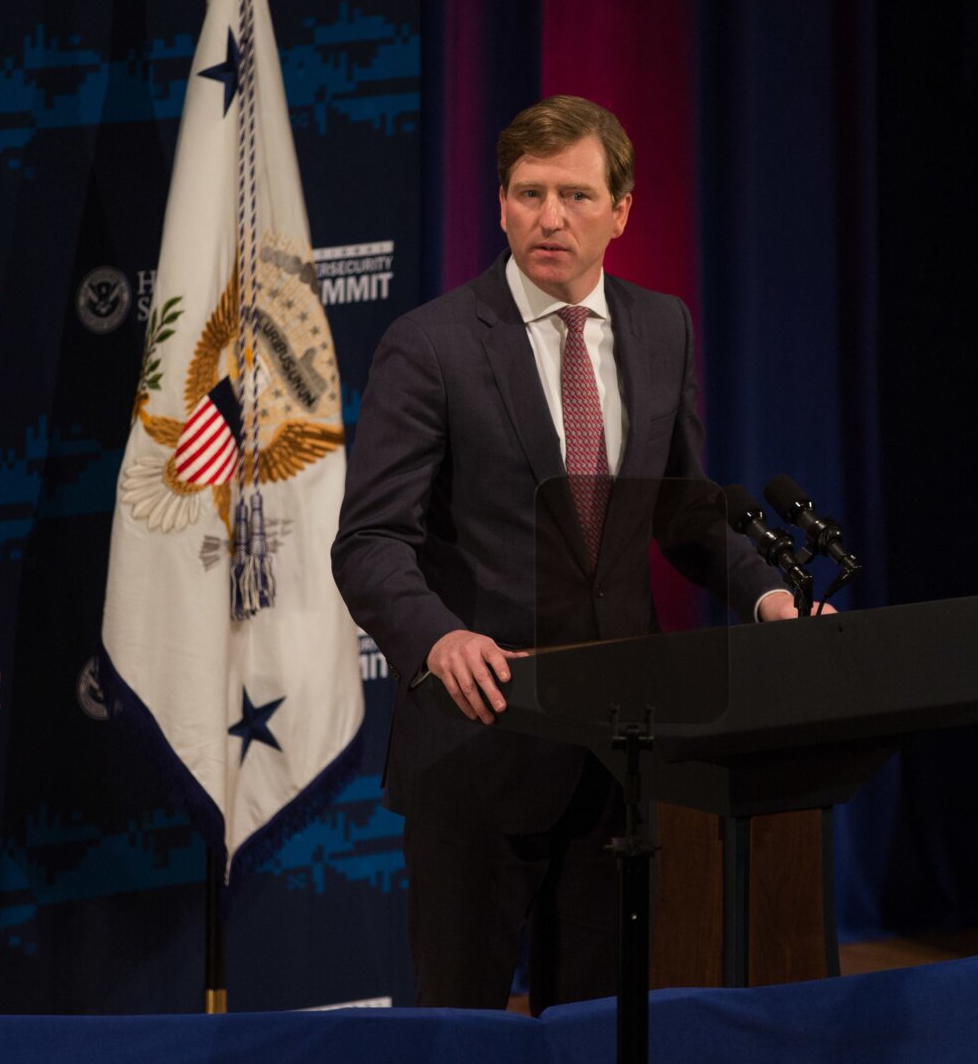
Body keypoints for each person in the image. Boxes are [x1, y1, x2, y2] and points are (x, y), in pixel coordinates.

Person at [331, 95, 814, 1012]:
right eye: (528, 193)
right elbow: (370, 542)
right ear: (502, 205)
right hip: (478, 747)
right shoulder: (430, 347)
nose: (550, 217)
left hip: (619, 755)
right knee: (460, 1029)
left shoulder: (664, 328)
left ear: (622, 210)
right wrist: (439, 638)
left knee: (599, 1025)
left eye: (576, 195)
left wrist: (768, 596)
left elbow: (683, 513)